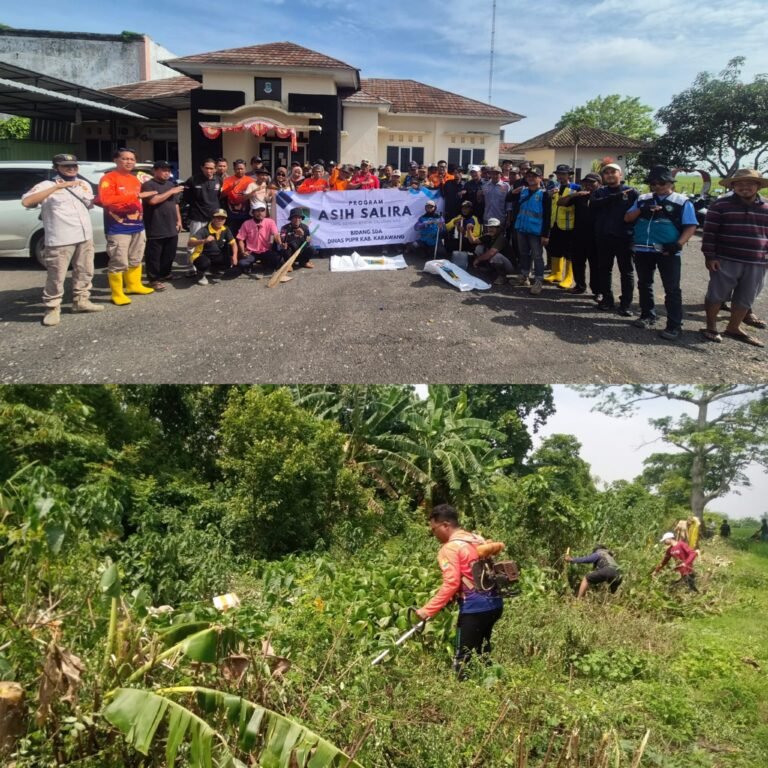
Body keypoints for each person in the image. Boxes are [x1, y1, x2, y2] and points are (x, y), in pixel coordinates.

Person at [415, 504, 504, 680]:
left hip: (474, 608)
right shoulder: (476, 539)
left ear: (445, 525)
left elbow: (452, 583)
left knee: (463, 657)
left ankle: (463, 688)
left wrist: (427, 610)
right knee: (482, 651)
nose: (433, 534)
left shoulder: (450, 548)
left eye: (434, 529)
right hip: (495, 604)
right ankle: (488, 683)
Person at [21, 153, 104, 325]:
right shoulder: (46, 185)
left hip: (84, 236)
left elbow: (90, 204)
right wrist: (57, 188)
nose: (71, 169)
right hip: (60, 238)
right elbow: (27, 202)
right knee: (56, 276)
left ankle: (81, 301)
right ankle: (52, 308)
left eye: (74, 166)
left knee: (85, 270)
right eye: (66, 166)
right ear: (56, 168)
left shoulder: (83, 184)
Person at [624, 166, 697, 340]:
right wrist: (641, 210)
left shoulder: (682, 201)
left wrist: (678, 244)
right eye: (653, 183)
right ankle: (647, 315)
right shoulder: (643, 199)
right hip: (643, 248)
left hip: (667, 250)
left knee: (671, 289)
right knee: (644, 284)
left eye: (662, 183)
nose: (657, 186)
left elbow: (691, 225)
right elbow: (627, 218)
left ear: (670, 183)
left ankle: (674, 325)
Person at [700, 168, 768, 347]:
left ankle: (733, 327)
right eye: (739, 183)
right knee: (716, 295)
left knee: (746, 297)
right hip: (725, 258)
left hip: (757, 261)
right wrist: (710, 256)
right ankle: (711, 327)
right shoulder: (720, 205)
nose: (744, 187)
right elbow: (709, 233)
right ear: (733, 186)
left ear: (758, 185)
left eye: (749, 183)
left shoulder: (766, 207)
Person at [98, 147, 158, 305]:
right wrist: (136, 195)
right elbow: (106, 200)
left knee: (136, 258)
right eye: (125, 158)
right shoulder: (109, 178)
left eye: (132, 159)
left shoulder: (134, 179)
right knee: (119, 261)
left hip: (137, 225)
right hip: (118, 227)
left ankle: (133, 285)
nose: (129, 162)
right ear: (116, 160)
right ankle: (117, 293)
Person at [591, 163, 638, 315]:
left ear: (620, 174)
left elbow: (639, 212)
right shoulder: (599, 192)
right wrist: (614, 197)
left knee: (627, 271)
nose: (610, 175)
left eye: (613, 172)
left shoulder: (631, 192)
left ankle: (625, 304)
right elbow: (593, 205)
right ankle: (607, 299)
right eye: (607, 173)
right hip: (604, 237)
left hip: (625, 238)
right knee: (604, 269)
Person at [141, 161, 184, 290]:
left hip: (171, 224)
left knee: (169, 253)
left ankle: (166, 273)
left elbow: (175, 204)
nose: (167, 173)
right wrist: (171, 191)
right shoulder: (148, 185)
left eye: (168, 170)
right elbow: (153, 201)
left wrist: (179, 220)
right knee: (154, 255)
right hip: (155, 225)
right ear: (155, 171)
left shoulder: (170, 184)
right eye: (163, 170)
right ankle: (154, 279)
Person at [557, 172, 601, 295]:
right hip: (578, 235)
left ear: (599, 183)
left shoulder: (602, 196)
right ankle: (580, 286)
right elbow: (560, 202)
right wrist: (574, 194)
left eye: (592, 182)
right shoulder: (580, 196)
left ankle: (597, 291)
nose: (588, 185)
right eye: (586, 182)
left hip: (596, 237)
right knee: (578, 263)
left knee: (595, 265)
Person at [513, 167, 551, 294]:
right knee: (523, 253)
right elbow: (510, 200)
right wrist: (513, 192)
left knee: (537, 256)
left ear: (540, 178)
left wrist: (545, 235)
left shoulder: (545, 194)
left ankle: (538, 280)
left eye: (534, 176)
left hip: (536, 231)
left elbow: (547, 216)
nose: (530, 178)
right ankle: (525, 276)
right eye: (528, 176)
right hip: (521, 228)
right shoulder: (523, 191)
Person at [182, 158, 222, 275]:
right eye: (207, 168)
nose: (209, 171)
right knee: (194, 243)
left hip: (213, 219)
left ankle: (211, 267)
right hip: (197, 217)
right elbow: (186, 197)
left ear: (215, 169)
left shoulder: (219, 180)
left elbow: (218, 196)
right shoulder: (192, 180)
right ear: (202, 168)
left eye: (211, 168)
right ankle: (191, 268)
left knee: (213, 243)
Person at [544, 164, 580, 288]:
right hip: (554, 224)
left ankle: (568, 277)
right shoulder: (554, 187)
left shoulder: (576, 188)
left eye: (563, 174)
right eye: (558, 174)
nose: (560, 176)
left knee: (569, 252)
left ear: (569, 175)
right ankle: (556, 274)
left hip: (569, 226)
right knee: (555, 249)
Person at [187, 208, 237, 285]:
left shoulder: (225, 229)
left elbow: (233, 243)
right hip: (201, 255)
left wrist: (234, 256)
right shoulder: (204, 230)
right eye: (218, 218)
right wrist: (204, 241)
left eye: (222, 218)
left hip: (216, 255)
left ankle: (214, 269)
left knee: (228, 258)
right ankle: (200, 274)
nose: (220, 220)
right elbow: (190, 243)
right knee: (204, 263)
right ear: (213, 218)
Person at [236, 202, 281, 274]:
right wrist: (243, 251)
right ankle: (250, 266)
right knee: (242, 263)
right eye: (257, 211)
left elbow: (276, 234)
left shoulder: (270, 222)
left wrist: (280, 243)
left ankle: (265, 262)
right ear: (252, 212)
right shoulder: (246, 223)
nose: (260, 213)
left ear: (265, 212)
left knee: (277, 259)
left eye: (262, 211)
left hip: (266, 250)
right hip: (251, 252)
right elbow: (240, 239)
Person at [473, 217, 514, 285]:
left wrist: (478, 259)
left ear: (498, 228)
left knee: (495, 256)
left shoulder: (501, 238)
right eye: (489, 227)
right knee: (479, 248)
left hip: (509, 266)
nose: (490, 229)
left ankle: (503, 276)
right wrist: (468, 229)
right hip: (497, 261)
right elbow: (473, 241)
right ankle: (490, 270)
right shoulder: (488, 236)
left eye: (493, 227)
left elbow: (491, 253)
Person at [445, 200, 482, 267]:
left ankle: (470, 260)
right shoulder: (458, 217)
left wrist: (465, 232)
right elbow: (447, 227)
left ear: (471, 209)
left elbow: (477, 234)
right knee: (448, 241)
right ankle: (452, 259)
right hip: (458, 240)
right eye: (463, 208)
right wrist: (453, 223)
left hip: (469, 242)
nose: (464, 210)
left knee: (466, 241)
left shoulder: (475, 219)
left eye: (467, 208)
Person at [220, 159, 252, 233]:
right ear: (234, 169)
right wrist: (231, 187)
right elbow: (222, 195)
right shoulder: (227, 180)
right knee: (231, 235)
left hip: (246, 214)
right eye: (238, 169)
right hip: (231, 215)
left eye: (242, 169)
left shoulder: (251, 181)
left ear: (245, 169)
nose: (240, 171)